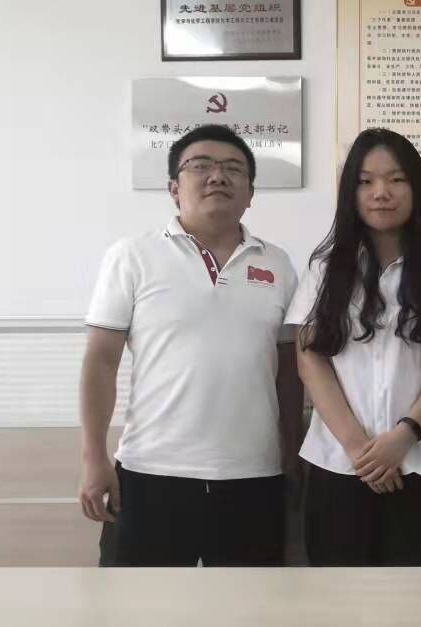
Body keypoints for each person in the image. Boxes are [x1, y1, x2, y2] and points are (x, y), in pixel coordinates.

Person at [77, 124, 301, 566]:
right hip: (150, 472)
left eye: (233, 168)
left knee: (251, 605)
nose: (218, 176)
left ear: (250, 193)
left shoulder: (277, 264)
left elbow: (289, 369)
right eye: (201, 166)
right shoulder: (132, 256)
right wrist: (93, 457)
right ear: (174, 188)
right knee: (135, 604)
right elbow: (100, 362)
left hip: (253, 475)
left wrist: (291, 452)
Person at [288, 129, 421, 566]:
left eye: (396, 180)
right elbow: (309, 359)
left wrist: (404, 435)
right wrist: (359, 448)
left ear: (417, 189)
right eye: (366, 181)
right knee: (338, 594)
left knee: (415, 597)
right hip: (339, 463)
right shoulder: (325, 270)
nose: (381, 193)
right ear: (351, 192)